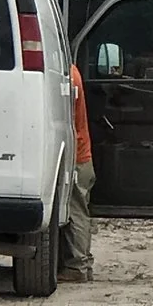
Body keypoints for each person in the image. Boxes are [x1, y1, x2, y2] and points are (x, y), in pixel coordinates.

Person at [63, 60, 96, 282]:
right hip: (81, 156)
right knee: (79, 212)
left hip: (77, 158)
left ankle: (78, 268)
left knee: (76, 214)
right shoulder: (73, 71)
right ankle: (83, 264)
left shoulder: (69, 78)